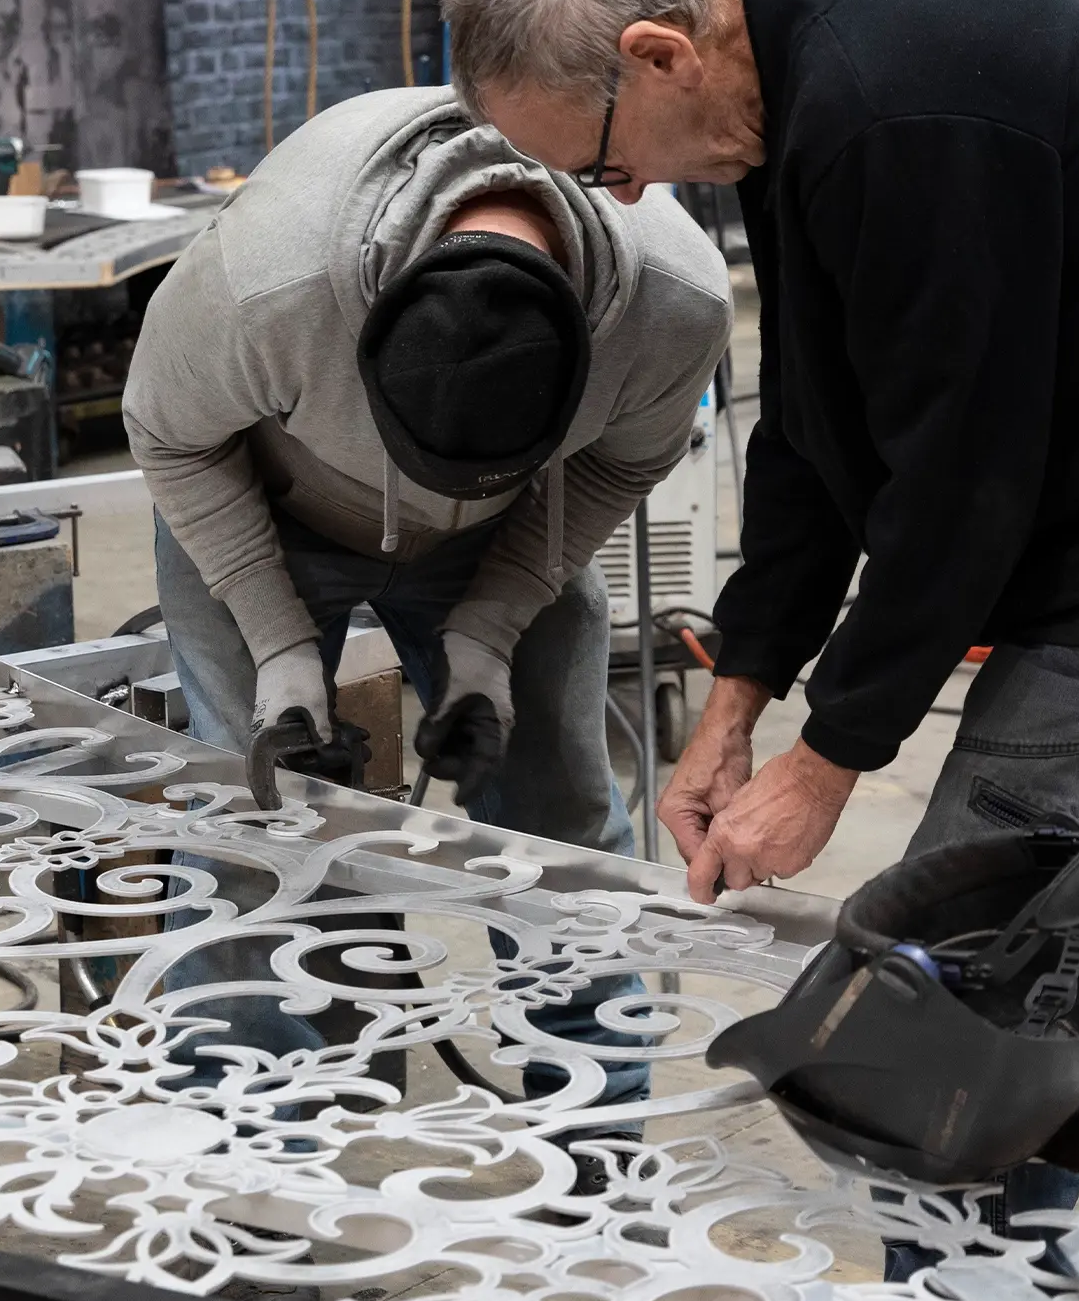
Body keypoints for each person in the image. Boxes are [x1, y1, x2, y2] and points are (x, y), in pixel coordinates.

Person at [440, 0, 1079, 1262]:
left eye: (602, 163)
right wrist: (743, 697)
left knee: (977, 986)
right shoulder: (795, 67)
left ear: (658, 55)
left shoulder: (896, 110)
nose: (621, 198)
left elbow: (961, 481)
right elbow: (819, 428)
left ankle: (986, 1281)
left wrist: (829, 763)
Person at [122, 84, 732, 1107]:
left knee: (558, 838)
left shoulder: (676, 303)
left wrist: (489, 633)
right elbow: (168, 433)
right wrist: (277, 647)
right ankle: (254, 1164)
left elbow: (617, 470)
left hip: (517, 525)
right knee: (244, 827)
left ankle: (594, 1158)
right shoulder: (269, 281)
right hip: (264, 502)